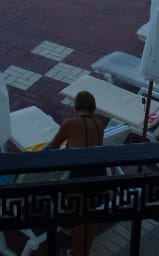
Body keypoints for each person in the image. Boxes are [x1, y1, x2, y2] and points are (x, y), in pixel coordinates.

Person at [48, 90, 106, 256]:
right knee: (90, 214)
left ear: (76, 106)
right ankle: (85, 252)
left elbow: (53, 146)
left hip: (80, 173)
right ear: (92, 107)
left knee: (78, 215)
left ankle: (77, 253)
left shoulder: (69, 123)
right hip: (98, 172)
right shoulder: (100, 124)